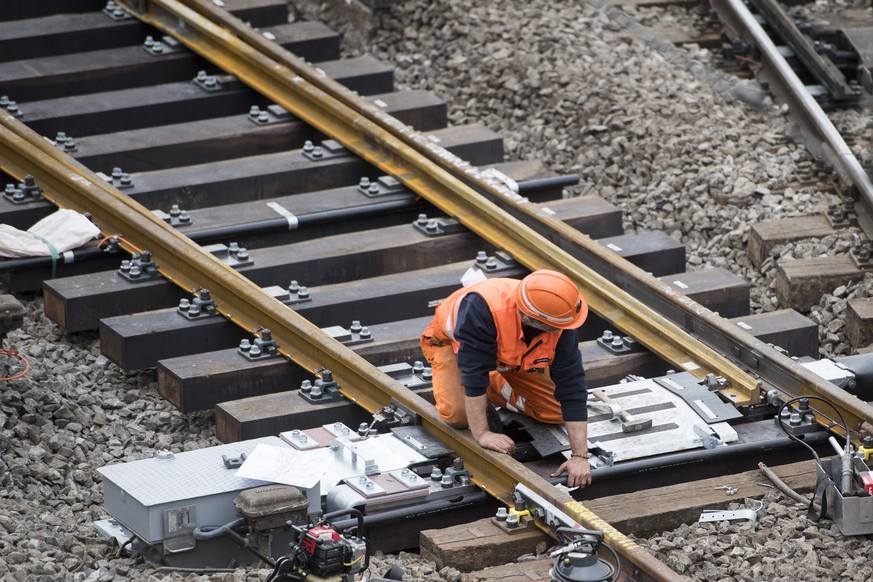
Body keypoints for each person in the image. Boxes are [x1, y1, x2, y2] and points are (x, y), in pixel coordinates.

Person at [420, 269, 592, 488]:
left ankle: (493, 384)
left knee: (554, 412)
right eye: (554, 328)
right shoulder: (481, 309)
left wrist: (580, 455)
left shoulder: (562, 320)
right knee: (458, 416)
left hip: (512, 356)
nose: (559, 332)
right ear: (530, 318)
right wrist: (482, 434)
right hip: (452, 347)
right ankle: (483, 387)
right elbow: (474, 376)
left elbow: (572, 385)